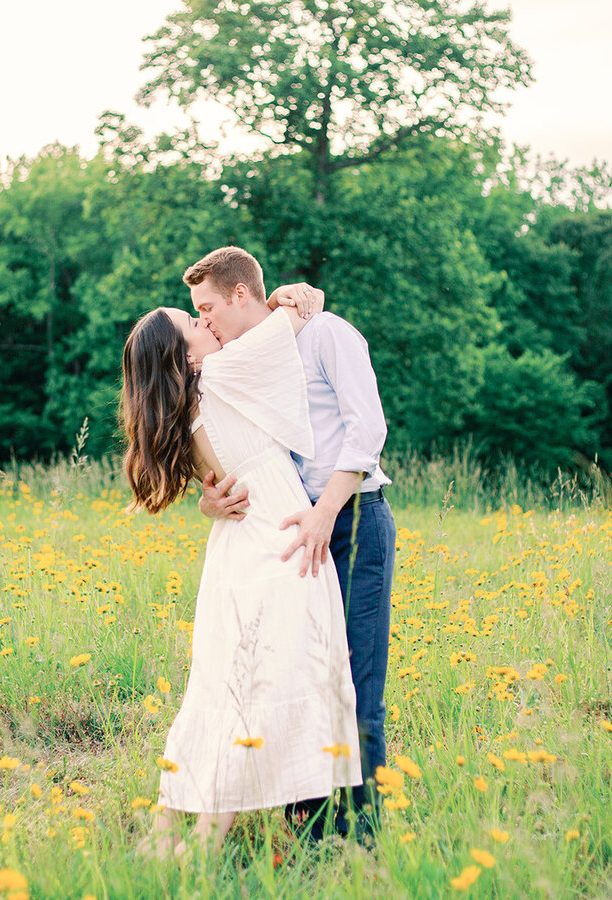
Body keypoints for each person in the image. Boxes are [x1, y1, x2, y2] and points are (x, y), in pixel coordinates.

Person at [120, 272, 361, 859]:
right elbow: (294, 320)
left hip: (238, 552)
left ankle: (167, 835)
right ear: (182, 356)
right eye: (191, 323)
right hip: (279, 545)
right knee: (259, 694)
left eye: (201, 313)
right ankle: (206, 845)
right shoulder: (224, 373)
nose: (205, 322)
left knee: (218, 693)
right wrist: (300, 295)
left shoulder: (188, 406)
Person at [190, 248, 396, 843]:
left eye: (208, 308)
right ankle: (309, 833)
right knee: (300, 679)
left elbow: (367, 430)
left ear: (239, 294)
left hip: (350, 520)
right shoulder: (238, 365)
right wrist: (209, 499)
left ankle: (359, 840)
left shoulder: (326, 334)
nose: (204, 322)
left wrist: (324, 513)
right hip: (291, 534)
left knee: (354, 682)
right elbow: (225, 451)